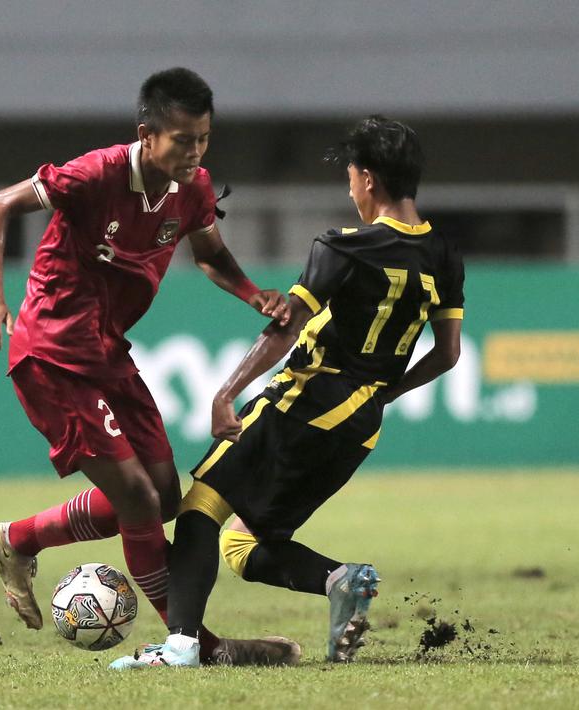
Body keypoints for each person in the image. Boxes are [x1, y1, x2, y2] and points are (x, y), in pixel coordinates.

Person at [0, 68, 298, 666]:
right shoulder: (96, 173)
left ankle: (12, 540)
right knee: (141, 503)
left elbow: (212, 255)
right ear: (147, 135)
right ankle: (195, 645)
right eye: (183, 140)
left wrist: (255, 295)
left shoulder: (193, 188)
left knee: (164, 498)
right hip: (52, 354)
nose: (195, 153)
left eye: (203, 139)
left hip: (108, 353)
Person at [110, 116, 465, 669]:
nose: (349, 187)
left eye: (350, 175)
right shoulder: (443, 254)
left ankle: (179, 648)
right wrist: (378, 395)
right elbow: (447, 354)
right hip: (360, 425)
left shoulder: (344, 246)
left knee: (201, 502)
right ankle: (340, 580)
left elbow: (286, 327)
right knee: (243, 544)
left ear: (367, 179)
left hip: (305, 399)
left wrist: (227, 391)